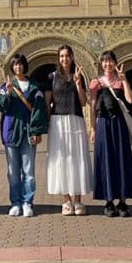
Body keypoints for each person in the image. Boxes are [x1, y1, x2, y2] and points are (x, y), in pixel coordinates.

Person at [89, 50, 132, 217]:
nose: (107, 64)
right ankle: (109, 201)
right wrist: (92, 128)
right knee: (105, 160)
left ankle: (123, 201)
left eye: (110, 61)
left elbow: (130, 100)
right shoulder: (96, 82)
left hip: (119, 124)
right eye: (104, 61)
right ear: (101, 64)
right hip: (103, 124)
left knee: (121, 159)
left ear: (115, 63)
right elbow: (92, 106)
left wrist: (125, 80)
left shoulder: (120, 81)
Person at [0, 53, 48, 217]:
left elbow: (38, 111)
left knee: (28, 170)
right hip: (10, 131)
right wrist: (7, 94)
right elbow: (2, 108)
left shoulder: (34, 87)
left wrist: (36, 131)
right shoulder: (6, 86)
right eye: (15, 65)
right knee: (13, 171)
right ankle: (15, 203)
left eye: (20, 64)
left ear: (25, 66)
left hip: (28, 133)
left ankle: (27, 202)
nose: (18, 67)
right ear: (12, 67)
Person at [45, 44, 93, 216]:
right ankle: (66, 200)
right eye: (62, 56)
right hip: (58, 122)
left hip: (76, 120)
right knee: (62, 159)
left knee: (77, 157)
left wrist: (79, 84)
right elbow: (47, 103)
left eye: (67, 55)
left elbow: (82, 102)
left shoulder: (78, 76)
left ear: (72, 57)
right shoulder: (51, 77)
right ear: (59, 58)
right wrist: (47, 122)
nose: (64, 59)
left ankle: (78, 200)